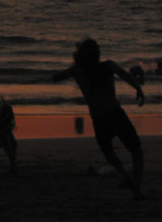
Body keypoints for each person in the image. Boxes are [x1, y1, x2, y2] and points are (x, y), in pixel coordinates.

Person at [52, 37, 145, 200]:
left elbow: (56, 77)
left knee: (109, 152)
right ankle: (135, 188)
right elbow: (125, 76)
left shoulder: (78, 71)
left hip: (100, 119)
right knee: (135, 150)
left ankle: (124, 176)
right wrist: (138, 88)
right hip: (115, 115)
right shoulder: (107, 66)